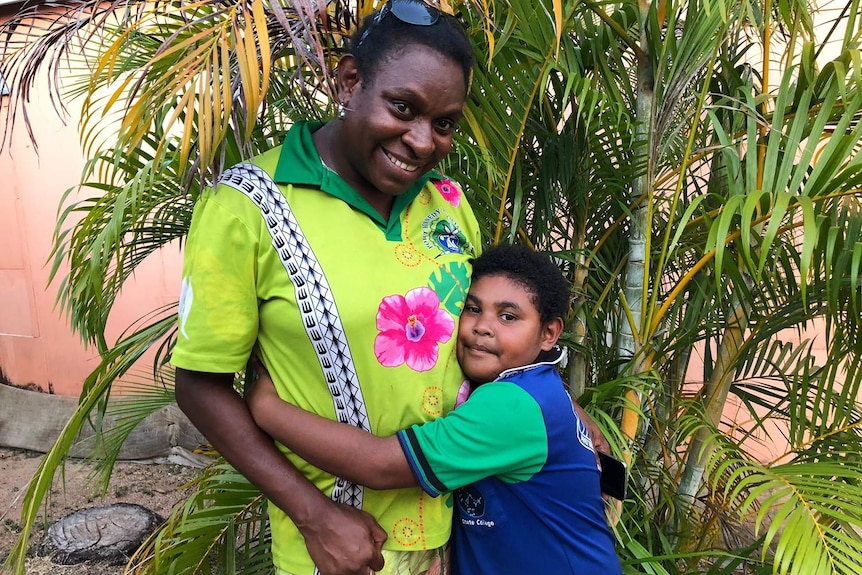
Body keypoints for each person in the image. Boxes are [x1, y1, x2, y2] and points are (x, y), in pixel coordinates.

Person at [171, 1, 606, 574]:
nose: (423, 141)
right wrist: (313, 515)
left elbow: (484, 335)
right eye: (403, 107)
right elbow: (198, 385)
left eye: (444, 123)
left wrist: (553, 402)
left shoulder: (446, 206)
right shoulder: (245, 208)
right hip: (340, 546)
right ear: (350, 80)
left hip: (449, 534)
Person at [247, 244, 623, 575]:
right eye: (473, 309)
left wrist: (267, 409)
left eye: (508, 316)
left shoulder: (511, 406)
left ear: (549, 334)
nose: (482, 327)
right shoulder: (530, 388)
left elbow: (379, 464)